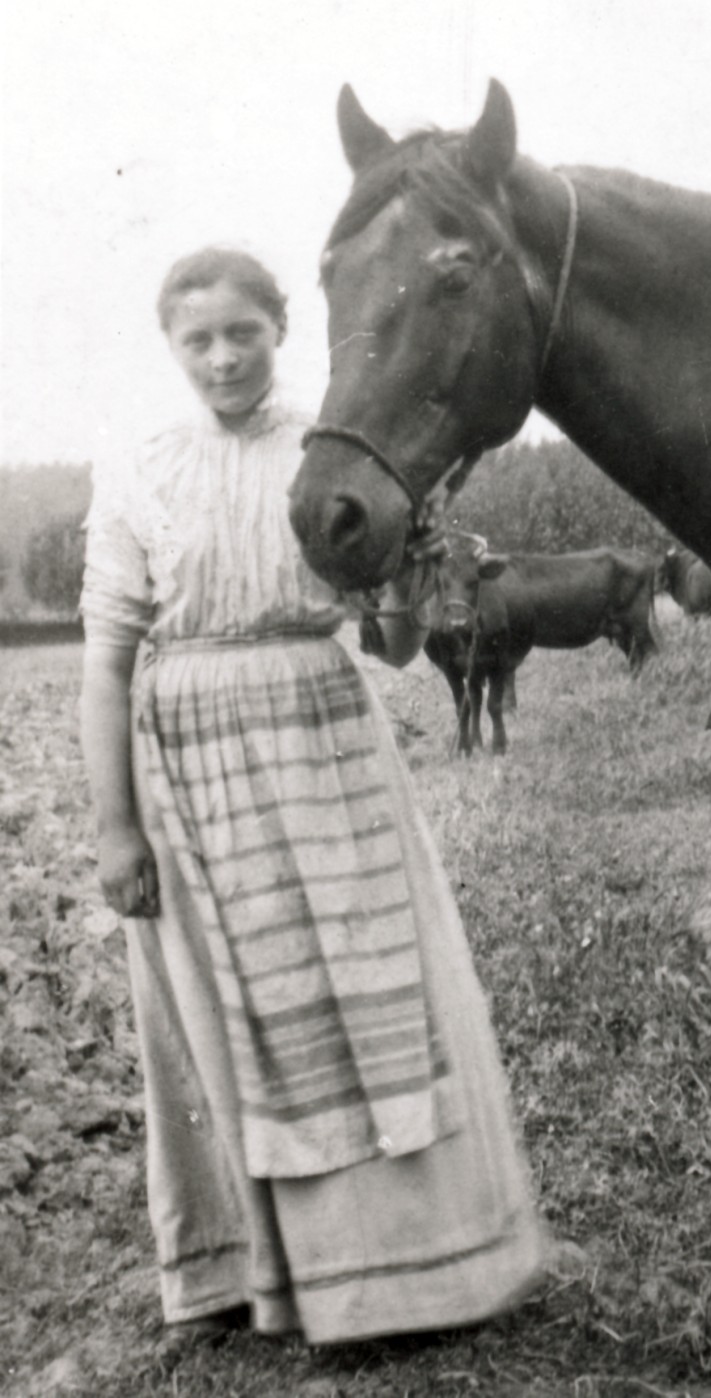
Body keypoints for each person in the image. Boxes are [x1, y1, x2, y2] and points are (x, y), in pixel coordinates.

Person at [78, 247, 548, 1352]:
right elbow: (105, 661)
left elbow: (390, 649)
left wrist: (411, 567)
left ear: (279, 331)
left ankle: (413, 1277)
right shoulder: (138, 469)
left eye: (243, 331)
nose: (223, 356)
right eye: (198, 339)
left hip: (328, 748)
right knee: (234, 1017)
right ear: (173, 350)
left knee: (370, 1001)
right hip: (190, 773)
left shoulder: (326, 456)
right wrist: (114, 828)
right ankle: (248, 1276)